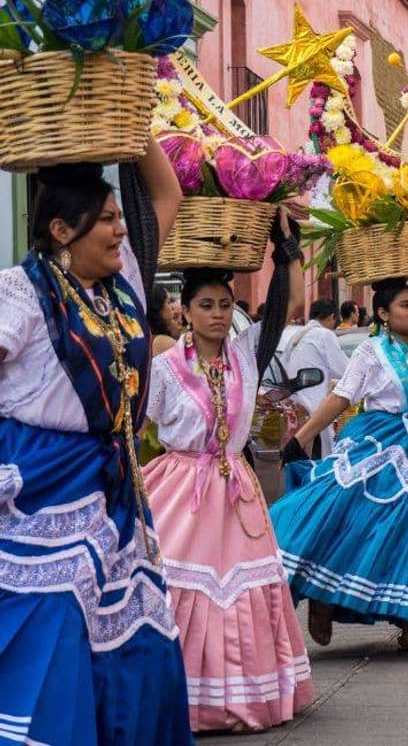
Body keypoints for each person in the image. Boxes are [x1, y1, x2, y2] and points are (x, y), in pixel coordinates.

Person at [0, 148, 195, 743]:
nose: (119, 228)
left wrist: (140, 126)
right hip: (41, 487)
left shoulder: (121, 283)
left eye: (117, 216)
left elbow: (169, 197)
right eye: (106, 219)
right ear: (61, 230)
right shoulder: (20, 292)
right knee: (56, 625)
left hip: (114, 488)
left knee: (138, 637)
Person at [143, 220, 314, 732]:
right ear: (184, 312)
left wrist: (284, 252)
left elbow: (284, 308)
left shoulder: (245, 356)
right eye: (206, 306)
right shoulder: (166, 367)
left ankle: (240, 698)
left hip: (236, 492)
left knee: (242, 590)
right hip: (180, 491)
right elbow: (137, 429)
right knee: (177, 587)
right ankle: (180, 700)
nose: (217, 315)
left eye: (224, 305)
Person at [271, 280, 408, 651]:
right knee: (355, 520)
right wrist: (302, 438)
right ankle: (322, 594)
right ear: (384, 315)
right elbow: (341, 398)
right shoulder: (371, 352)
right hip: (378, 446)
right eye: (404, 305)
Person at [285, 299, 350, 458]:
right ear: (332, 317)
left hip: (294, 406)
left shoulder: (295, 336)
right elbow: (344, 370)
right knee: (320, 457)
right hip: (316, 407)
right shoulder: (324, 335)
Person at [148, 283, 183, 356]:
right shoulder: (166, 343)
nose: (172, 308)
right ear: (159, 308)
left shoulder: (148, 337)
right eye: (169, 302)